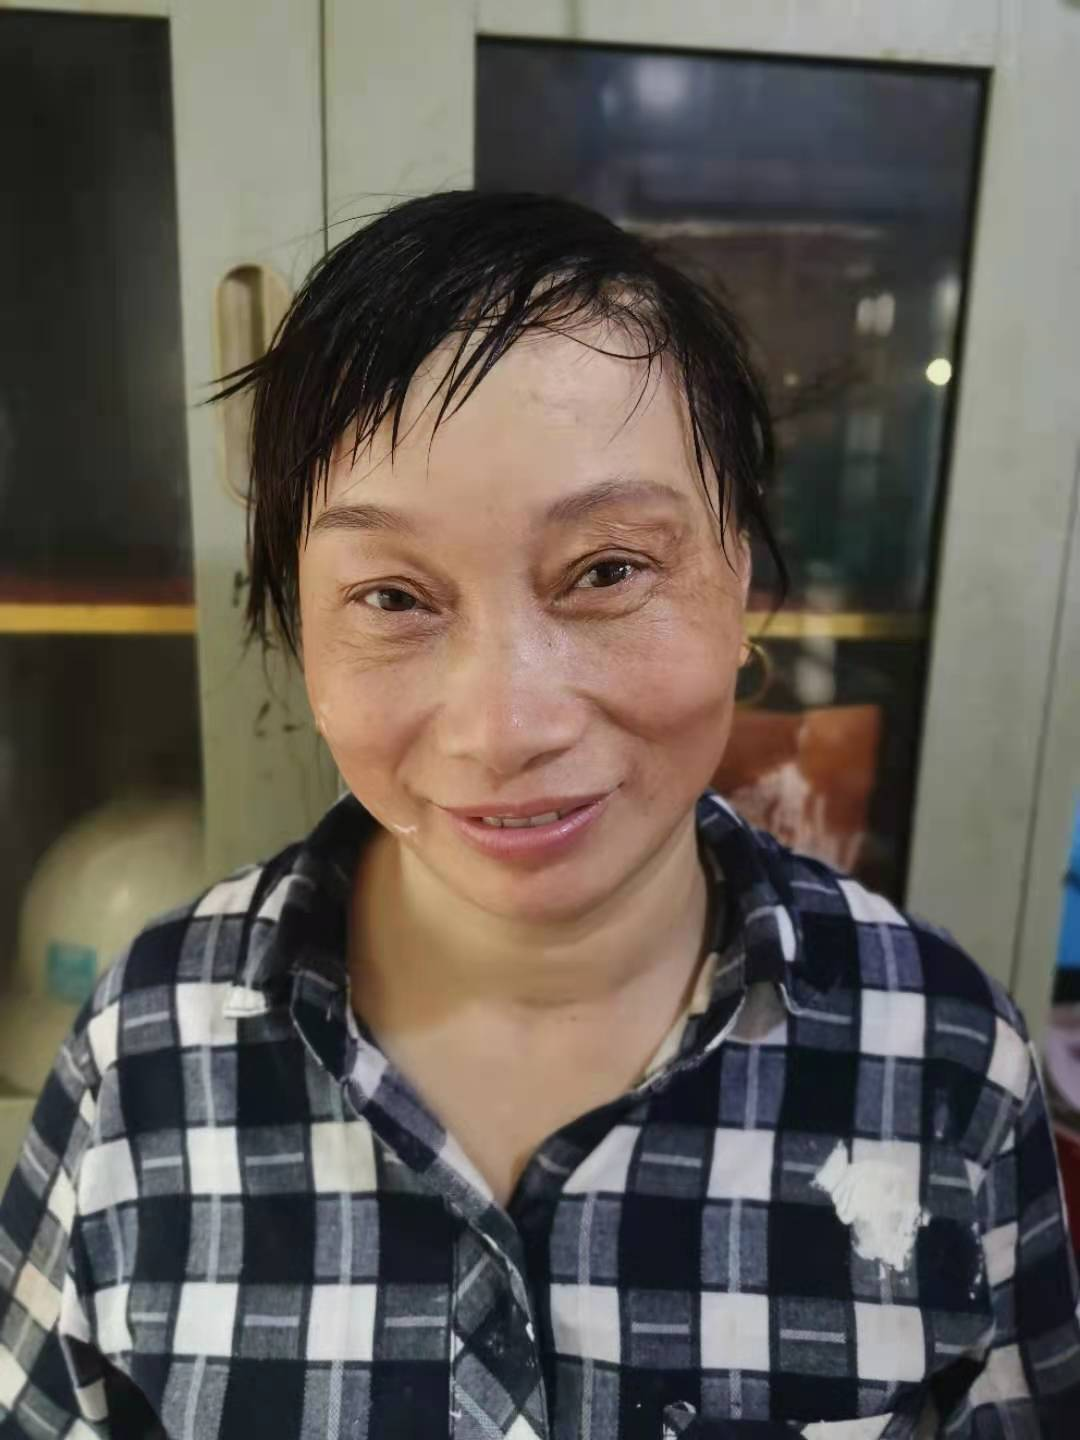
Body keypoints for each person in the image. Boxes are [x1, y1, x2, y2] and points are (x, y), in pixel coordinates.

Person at [1, 191, 1078, 1440]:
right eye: (393, 596)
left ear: (739, 579)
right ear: (301, 631)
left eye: (609, 571)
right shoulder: (145, 1050)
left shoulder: (943, 1060)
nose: (506, 726)